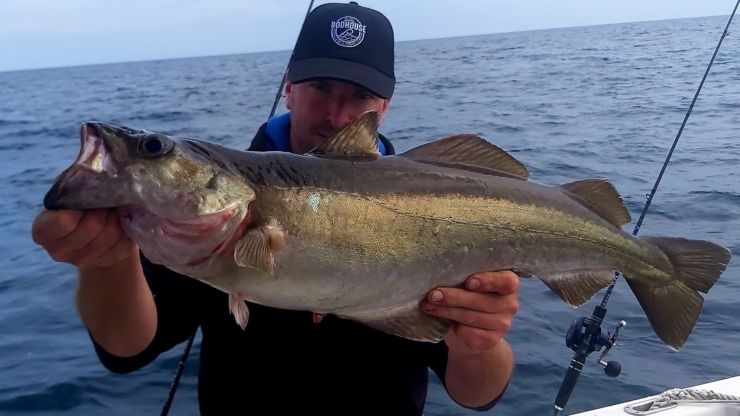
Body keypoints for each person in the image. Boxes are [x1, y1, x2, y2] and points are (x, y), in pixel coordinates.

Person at [31, 2, 519, 415]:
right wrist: (108, 263)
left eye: (360, 96)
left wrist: (480, 340)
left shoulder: (441, 211)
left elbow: (477, 394)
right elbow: (127, 350)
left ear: (384, 105)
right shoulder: (208, 208)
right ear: (290, 85)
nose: (336, 115)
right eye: (321, 88)